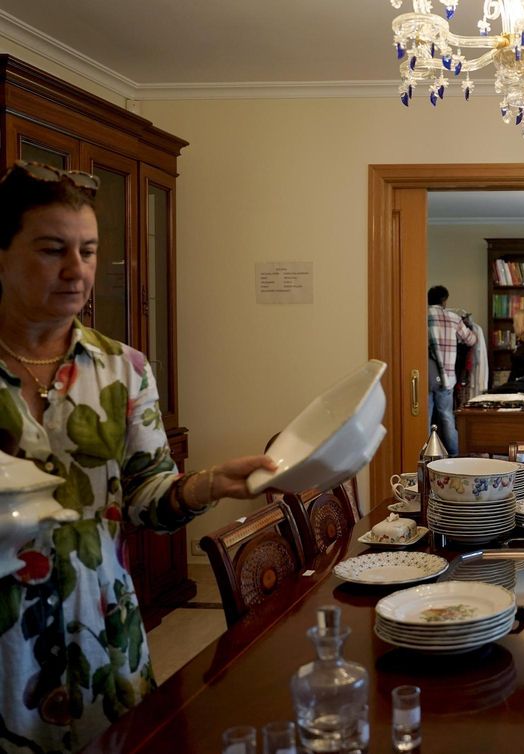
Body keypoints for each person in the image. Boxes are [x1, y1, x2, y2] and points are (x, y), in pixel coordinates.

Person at [0, 161, 276, 752]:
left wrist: (208, 484)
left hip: (104, 626)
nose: (77, 271)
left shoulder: (125, 367)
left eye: (90, 251)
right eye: (53, 250)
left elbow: (147, 499)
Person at [427, 284, 477, 455]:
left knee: (425, 419)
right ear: (444, 300)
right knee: (447, 417)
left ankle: (426, 456)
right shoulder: (453, 318)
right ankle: (455, 453)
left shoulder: (422, 315)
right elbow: (471, 340)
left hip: (426, 376)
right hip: (447, 377)